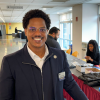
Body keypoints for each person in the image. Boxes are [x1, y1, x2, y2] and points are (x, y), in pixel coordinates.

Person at [0, 9, 88, 100]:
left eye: (42, 29)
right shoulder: (10, 62)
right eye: (32, 29)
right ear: (25, 31)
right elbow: (5, 97)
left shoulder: (60, 56)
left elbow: (70, 84)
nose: (38, 33)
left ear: (47, 31)